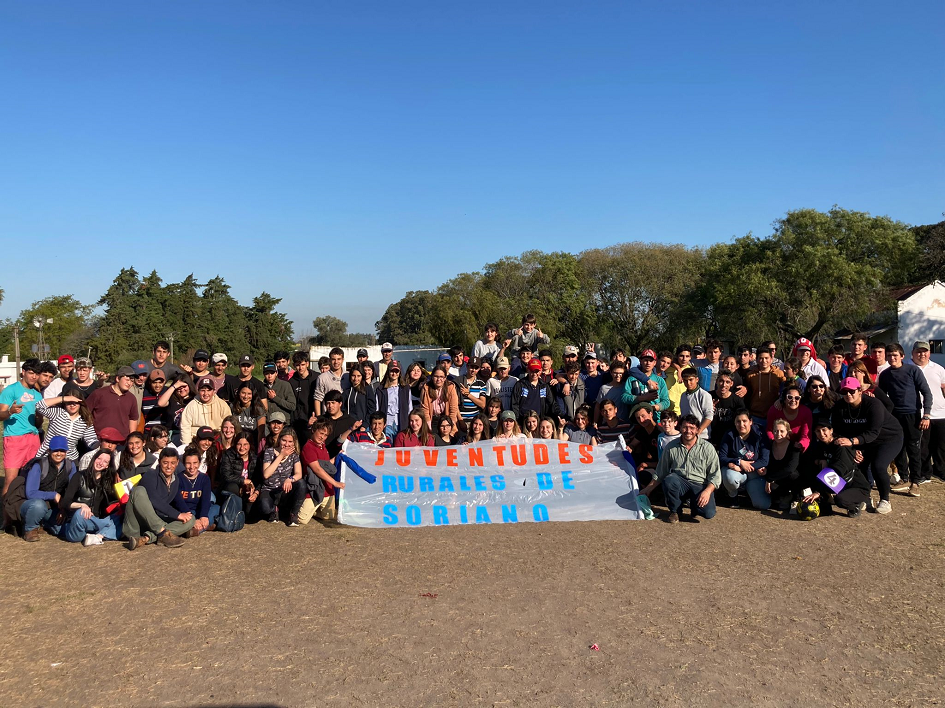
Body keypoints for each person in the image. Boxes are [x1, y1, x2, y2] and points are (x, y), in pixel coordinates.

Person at [832, 376, 902, 515]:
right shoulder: (840, 407)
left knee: (878, 465)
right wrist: (853, 449)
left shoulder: (873, 405)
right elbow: (838, 432)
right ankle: (864, 497)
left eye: (851, 391)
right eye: (844, 392)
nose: (848, 395)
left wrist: (852, 442)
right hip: (861, 441)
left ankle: (885, 500)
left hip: (888, 438)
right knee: (859, 464)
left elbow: (873, 433)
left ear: (859, 390)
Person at [641, 415, 720, 523]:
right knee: (670, 480)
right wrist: (647, 489)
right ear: (680, 428)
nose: (688, 431)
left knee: (708, 513)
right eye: (685, 427)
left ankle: (693, 506)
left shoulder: (708, 448)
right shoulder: (671, 447)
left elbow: (715, 476)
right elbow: (661, 472)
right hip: (679, 482)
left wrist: (707, 491)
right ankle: (675, 511)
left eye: (692, 428)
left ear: (697, 430)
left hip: (699, 485)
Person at [879, 343, 933, 497]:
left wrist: (926, 415)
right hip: (894, 416)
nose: (892, 358)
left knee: (913, 448)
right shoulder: (885, 375)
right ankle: (903, 478)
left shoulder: (912, 370)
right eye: (889, 355)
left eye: (895, 355)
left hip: (912, 415)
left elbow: (927, 393)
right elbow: (882, 397)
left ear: (902, 356)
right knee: (898, 448)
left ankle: (915, 481)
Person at [122, 447, 194, 549]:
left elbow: (179, 501)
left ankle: (147, 538)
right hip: (138, 525)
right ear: (159, 462)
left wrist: (189, 516)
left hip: (156, 524)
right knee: (139, 490)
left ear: (177, 462)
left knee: (191, 519)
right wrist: (177, 514)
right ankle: (161, 533)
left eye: (173, 463)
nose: (169, 466)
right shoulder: (149, 475)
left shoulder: (176, 480)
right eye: (165, 463)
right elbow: (154, 499)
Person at [801, 419, 872, 518]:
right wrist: (819, 461)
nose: (821, 434)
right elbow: (809, 459)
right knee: (811, 473)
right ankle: (825, 506)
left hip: (855, 486)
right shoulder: (820, 445)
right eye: (818, 431)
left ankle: (857, 504)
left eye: (824, 430)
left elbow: (837, 472)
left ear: (831, 431)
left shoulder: (841, 445)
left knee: (840, 500)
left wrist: (818, 492)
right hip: (839, 485)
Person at [1, 358, 44, 499]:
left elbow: (38, 423)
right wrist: (10, 411)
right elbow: (0, 415)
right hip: (15, 438)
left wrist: (39, 417)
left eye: (36, 374)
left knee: (30, 479)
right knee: (11, 480)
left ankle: (22, 513)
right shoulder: (11, 390)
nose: (34, 377)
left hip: (33, 439)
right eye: (31, 373)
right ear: (23, 372)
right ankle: (7, 519)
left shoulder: (38, 395)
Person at [19, 437, 76, 542]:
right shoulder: (38, 465)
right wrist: (53, 495)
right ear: (49, 451)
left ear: (66, 452)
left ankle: (44, 523)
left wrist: (64, 507)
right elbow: (30, 493)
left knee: (63, 531)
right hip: (30, 504)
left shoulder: (70, 466)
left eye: (62, 450)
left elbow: (72, 491)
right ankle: (30, 529)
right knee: (38, 505)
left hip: (55, 507)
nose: (59, 453)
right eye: (55, 450)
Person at [60, 448, 122, 545]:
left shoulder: (107, 480)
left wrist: (118, 486)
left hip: (96, 521)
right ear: (94, 459)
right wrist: (81, 505)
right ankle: (103, 534)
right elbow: (65, 502)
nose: (101, 463)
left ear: (107, 466)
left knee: (121, 514)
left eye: (105, 462)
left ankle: (97, 537)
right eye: (99, 459)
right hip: (78, 521)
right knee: (80, 514)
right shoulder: (79, 476)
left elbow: (114, 503)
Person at [719, 411, 771, 509]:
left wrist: (750, 467)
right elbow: (722, 457)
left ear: (751, 421)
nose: (741, 424)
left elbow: (765, 460)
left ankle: (749, 491)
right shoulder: (729, 434)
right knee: (730, 477)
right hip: (736, 471)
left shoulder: (760, 433)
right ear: (734, 423)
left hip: (754, 473)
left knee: (763, 505)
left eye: (744, 421)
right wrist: (739, 462)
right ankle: (733, 495)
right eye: (738, 421)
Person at [911, 340, 945, 484]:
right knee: (923, 445)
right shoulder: (908, 367)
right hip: (919, 413)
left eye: (925, 351)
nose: (922, 354)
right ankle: (925, 472)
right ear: (913, 353)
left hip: (940, 413)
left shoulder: (938, 369)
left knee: (940, 445)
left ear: (929, 353)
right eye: (918, 352)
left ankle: (940, 470)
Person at [258, 429, 306, 526]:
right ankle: (274, 510)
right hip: (270, 489)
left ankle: (293, 514)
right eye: (284, 440)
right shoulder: (269, 451)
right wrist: (281, 455)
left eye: (290, 441)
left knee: (301, 483)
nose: (286, 444)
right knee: (265, 508)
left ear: (294, 443)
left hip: (284, 489)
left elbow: (299, 473)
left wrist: (290, 479)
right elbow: (266, 474)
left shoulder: (294, 455)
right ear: (279, 439)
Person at [34, 389, 98, 460]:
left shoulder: (85, 420)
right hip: (49, 455)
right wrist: (63, 398)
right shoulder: (57, 413)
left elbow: (91, 439)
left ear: (80, 403)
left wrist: (99, 444)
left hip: (70, 458)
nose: (72, 405)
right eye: (69, 403)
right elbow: (39, 406)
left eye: (75, 403)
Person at [300, 420, 344, 522]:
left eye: (325, 435)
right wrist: (335, 483)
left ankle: (314, 512)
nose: (322, 437)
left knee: (329, 517)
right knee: (302, 519)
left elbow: (326, 465)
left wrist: (338, 456)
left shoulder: (323, 446)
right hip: (314, 489)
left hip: (327, 489)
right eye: (321, 433)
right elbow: (317, 469)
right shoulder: (308, 447)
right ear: (314, 430)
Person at [86, 366, 139, 437]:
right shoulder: (99, 393)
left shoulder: (131, 398)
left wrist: (132, 437)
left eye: (132, 381)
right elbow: (85, 411)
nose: (129, 383)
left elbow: (133, 419)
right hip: (99, 439)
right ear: (117, 378)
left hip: (122, 442)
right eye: (127, 379)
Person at [764, 419, 803, 511]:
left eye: (782, 431)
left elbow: (790, 468)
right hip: (774, 481)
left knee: (794, 474)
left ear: (788, 432)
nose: (778, 434)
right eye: (776, 431)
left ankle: (794, 498)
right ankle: (780, 497)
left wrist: (770, 478)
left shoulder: (794, 446)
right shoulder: (769, 445)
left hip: (788, 480)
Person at [180, 376, 231, 446]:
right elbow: (185, 427)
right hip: (197, 440)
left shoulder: (222, 405)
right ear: (198, 391)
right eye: (203, 390)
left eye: (209, 390)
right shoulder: (191, 406)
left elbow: (229, 424)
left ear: (214, 391)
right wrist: (186, 445)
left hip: (217, 439)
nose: (205, 393)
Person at [177, 448, 218, 536]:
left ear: (199, 463)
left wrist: (203, 516)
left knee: (216, 508)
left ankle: (196, 529)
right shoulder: (178, 479)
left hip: (198, 510)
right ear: (184, 463)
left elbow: (205, 499)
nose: (192, 467)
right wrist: (192, 519)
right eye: (188, 463)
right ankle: (203, 527)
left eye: (195, 463)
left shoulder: (204, 478)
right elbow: (179, 502)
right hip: (185, 512)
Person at [216, 432, 258, 514]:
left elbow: (258, 479)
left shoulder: (254, 458)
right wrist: (244, 481)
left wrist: (256, 492)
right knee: (233, 487)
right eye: (239, 444)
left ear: (250, 445)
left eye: (245, 444)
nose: (242, 448)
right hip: (231, 488)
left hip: (247, 491)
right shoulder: (228, 455)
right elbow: (226, 476)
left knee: (251, 515)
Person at [766, 384, 812, 452]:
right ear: (784, 399)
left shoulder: (806, 412)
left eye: (797, 398)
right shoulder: (774, 410)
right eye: (789, 397)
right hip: (777, 446)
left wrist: (800, 445)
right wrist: (774, 442)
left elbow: (806, 436)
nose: (793, 400)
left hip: (796, 448)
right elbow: (769, 430)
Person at [746, 349, 785, 429]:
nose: (764, 361)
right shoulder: (750, 375)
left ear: (771, 359)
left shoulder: (778, 374)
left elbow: (784, 390)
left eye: (766, 358)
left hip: (774, 414)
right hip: (755, 415)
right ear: (756, 359)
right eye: (761, 358)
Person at [321, 390, 362, 458]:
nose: (330, 406)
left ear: (340, 404)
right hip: (323, 458)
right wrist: (309, 426)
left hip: (342, 459)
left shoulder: (351, 422)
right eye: (328, 403)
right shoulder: (321, 420)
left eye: (333, 403)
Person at [376, 361, 411, 439]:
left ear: (400, 372)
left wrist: (409, 422)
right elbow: (377, 408)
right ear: (388, 372)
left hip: (401, 422)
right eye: (392, 371)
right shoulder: (381, 389)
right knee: (388, 447)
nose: (394, 373)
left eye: (396, 371)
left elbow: (409, 406)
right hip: (387, 423)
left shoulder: (405, 388)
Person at [678, 368, 713, 439]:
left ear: (697, 379)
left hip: (702, 436)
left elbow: (709, 416)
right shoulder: (683, 395)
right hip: (687, 435)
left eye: (691, 380)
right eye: (685, 380)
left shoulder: (704, 395)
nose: (688, 383)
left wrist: (698, 431)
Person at [289, 351, 317, 438]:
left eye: (303, 364)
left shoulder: (317, 378)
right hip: (298, 422)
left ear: (307, 364)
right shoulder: (291, 382)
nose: (300, 368)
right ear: (294, 365)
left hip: (314, 419)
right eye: (297, 365)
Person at [231, 381, 267, 447]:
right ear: (239, 393)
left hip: (253, 443)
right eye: (243, 393)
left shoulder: (258, 409)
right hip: (236, 442)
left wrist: (259, 450)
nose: (246, 396)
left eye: (249, 394)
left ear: (253, 394)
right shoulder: (233, 407)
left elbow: (261, 432)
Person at [710, 372, 742, 446]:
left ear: (731, 384)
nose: (724, 385)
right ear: (716, 381)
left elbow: (742, 417)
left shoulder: (737, 400)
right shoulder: (708, 396)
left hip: (729, 439)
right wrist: (707, 408)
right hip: (710, 437)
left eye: (727, 382)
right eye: (721, 381)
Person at [455, 357, 487, 427]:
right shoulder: (459, 381)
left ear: (479, 369)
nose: (473, 370)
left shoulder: (481, 384)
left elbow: (482, 404)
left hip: (475, 422)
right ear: (467, 366)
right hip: (460, 420)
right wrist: (460, 421)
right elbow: (454, 404)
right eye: (472, 367)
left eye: (476, 368)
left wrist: (468, 395)